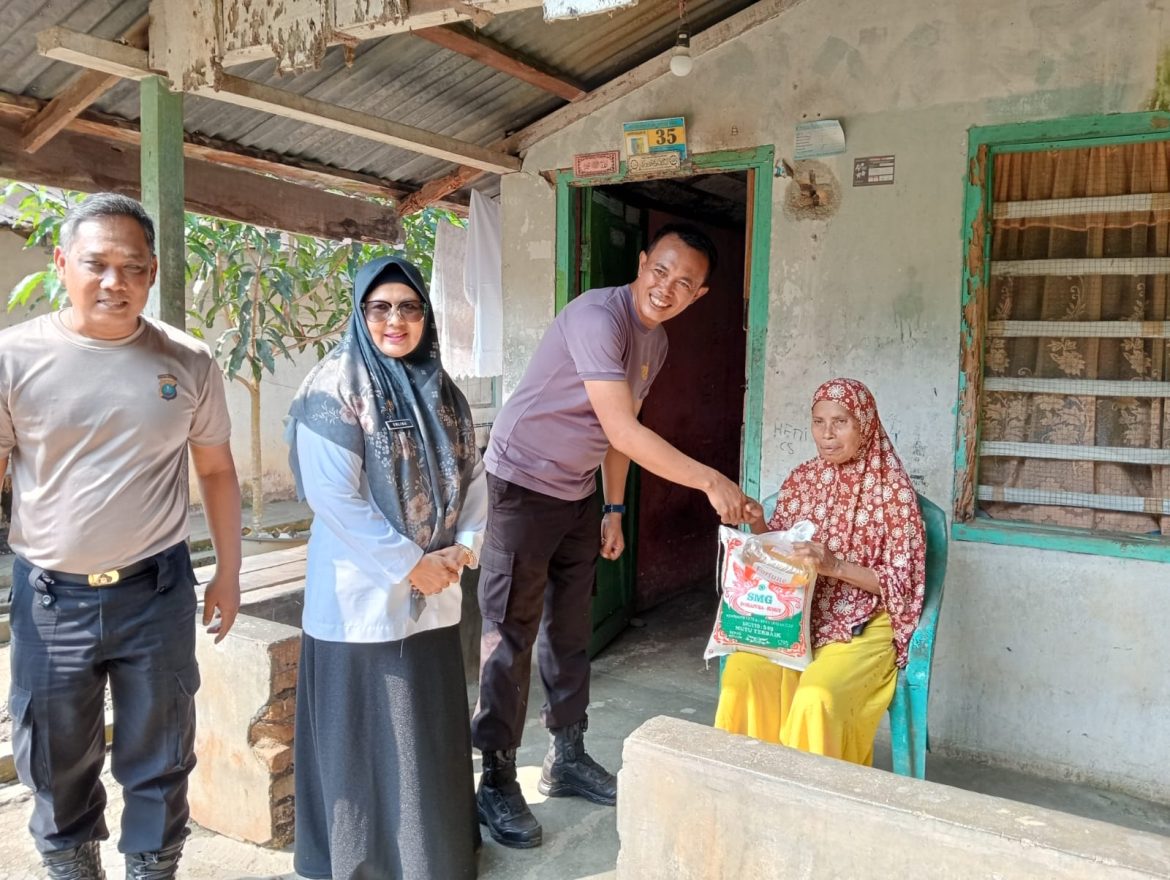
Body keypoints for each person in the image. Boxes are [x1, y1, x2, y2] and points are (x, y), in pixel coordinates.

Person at [473, 222, 761, 849]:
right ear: (640, 262)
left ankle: (567, 755)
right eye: (661, 270)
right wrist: (712, 482)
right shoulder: (597, 317)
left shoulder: (655, 345)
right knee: (508, 632)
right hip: (520, 484)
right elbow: (624, 430)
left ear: (701, 295)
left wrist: (611, 509)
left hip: (577, 492)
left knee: (570, 628)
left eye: (685, 283)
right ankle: (494, 778)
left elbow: (616, 435)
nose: (667, 287)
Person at [0, 193, 242, 880]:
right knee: (53, 753)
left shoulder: (187, 361)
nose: (115, 282)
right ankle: (71, 864)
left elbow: (218, 471)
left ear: (153, 272)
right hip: (50, 598)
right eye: (96, 264)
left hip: (155, 591)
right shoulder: (13, 358)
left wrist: (229, 571)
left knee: (159, 751)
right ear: (61, 264)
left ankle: (150, 866)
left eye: (132, 267)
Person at [287, 256, 487, 880]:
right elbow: (334, 498)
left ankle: (436, 857)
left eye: (409, 307)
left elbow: (474, 476)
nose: (396, 320)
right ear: (360, 313)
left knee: (424, 725)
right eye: (381, 308)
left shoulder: (443, 390)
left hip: (438, 584)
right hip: (361, 594)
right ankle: (359, 861)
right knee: (365, 732)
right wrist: (411, 566)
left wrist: (466, 548)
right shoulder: (333, 386)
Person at [715, 377, 926, 765]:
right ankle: (744, 790)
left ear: (865, 424)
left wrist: (836, 566)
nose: (827, 434)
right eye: (818, 422)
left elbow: (904, 583)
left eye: (840, 422)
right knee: (741, 677)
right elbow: (782, 559)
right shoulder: (802, 480)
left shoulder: (893, 492)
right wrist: (761, 527)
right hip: (800, 617)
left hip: (864, 624)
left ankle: (811, 804)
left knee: (818, 697)